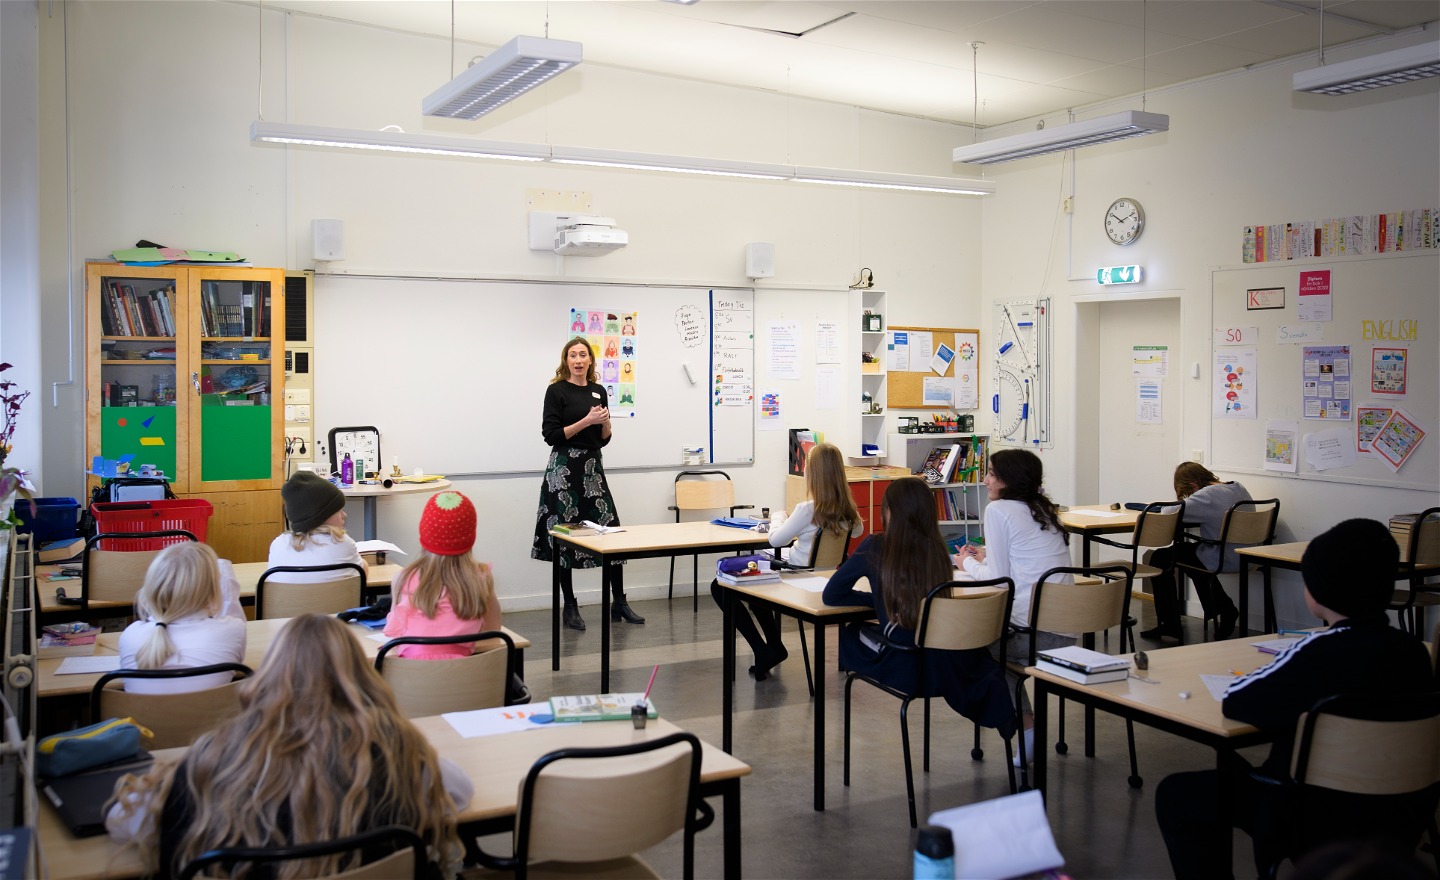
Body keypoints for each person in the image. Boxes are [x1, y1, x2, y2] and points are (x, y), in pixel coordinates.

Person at [1154, 519, 1432, 880]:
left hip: (1306, 810)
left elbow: (1239, 701)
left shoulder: (1316, 652)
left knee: (1177, 795)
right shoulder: (1414, 653)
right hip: (1400, 812)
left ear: (1315, 591)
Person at [106, 613, 471, 879]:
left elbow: (123, 822)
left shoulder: (214, 758)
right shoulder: (399, 752)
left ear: (269, 678)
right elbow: (459, 791)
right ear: (359, 679)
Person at [822, 477, 1014, 735]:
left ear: (889, 511)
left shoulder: (876, 546)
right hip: (940, 653)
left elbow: (832, 595)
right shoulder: (937, 549)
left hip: (905, 661)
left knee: (850, 633)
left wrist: (877, 601)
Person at [953, 448, 1073, 764]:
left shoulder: (998, 510)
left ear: (1007, 481)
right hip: (1066, 631)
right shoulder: (1042, 510)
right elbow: (1021, 563)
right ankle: (1024, 723)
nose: (985, 480)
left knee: (973, 645)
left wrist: (966, 564)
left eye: (991, 473)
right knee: (991, 648)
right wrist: (985, 557)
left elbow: (997, 582)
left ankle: (1026, 724)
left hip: (1031, 634)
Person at [710, 442, 862, 680]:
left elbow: (776, 539)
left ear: (814, 474)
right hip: (825, 576)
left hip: (795, 575)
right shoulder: (849, 510)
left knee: (720, 586)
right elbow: (857, 532)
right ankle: (773, 648)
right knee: (756, 590)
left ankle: (764, 649)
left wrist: (778, 517)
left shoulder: (807, 509)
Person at [530, 337, 643, 631]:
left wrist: (605, 424)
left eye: (583, 355)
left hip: (593, 466)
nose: (578, 360)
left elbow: (603, 437)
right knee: (565, 535)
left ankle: (618, 601)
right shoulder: (556, 391)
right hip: (564, 468)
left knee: (610, 532)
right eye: (573, 355)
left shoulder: (598, 391)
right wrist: (586, 420)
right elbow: (551, 435)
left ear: (590, 360)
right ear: (566, 360)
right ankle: (570, 606)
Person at [383, 490, 502, 658]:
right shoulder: (481, 578)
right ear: (470, 537)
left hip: (411, 679)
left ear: (423, 534)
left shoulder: (403, 578)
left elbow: (395, 631)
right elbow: (493, 633)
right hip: (464, 679)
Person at [116, 542, 247, 695]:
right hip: (212, 719)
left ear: (152, 584)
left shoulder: (129, 635)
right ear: (213, 589)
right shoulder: (233, 630)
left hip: (140, 719)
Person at [1142, 462, 1249, 641]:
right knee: (1185, 556)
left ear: (1193, 486)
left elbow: (1169, 511)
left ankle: (1170, 625)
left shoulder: (1206, 496)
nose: (1191, 497)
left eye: (1188, 493)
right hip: (1248, 556)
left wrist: (1184, 500)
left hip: (1223, 556)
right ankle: (1223, 607)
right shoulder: (1237, 487)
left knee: (1160, 558)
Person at [267, 470, 368, 583]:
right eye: (337, 510)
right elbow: (363, 574)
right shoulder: (342, 543)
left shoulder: (278, 545)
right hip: (333, 601)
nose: (344, 515)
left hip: (289, 600)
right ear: (320, 517)